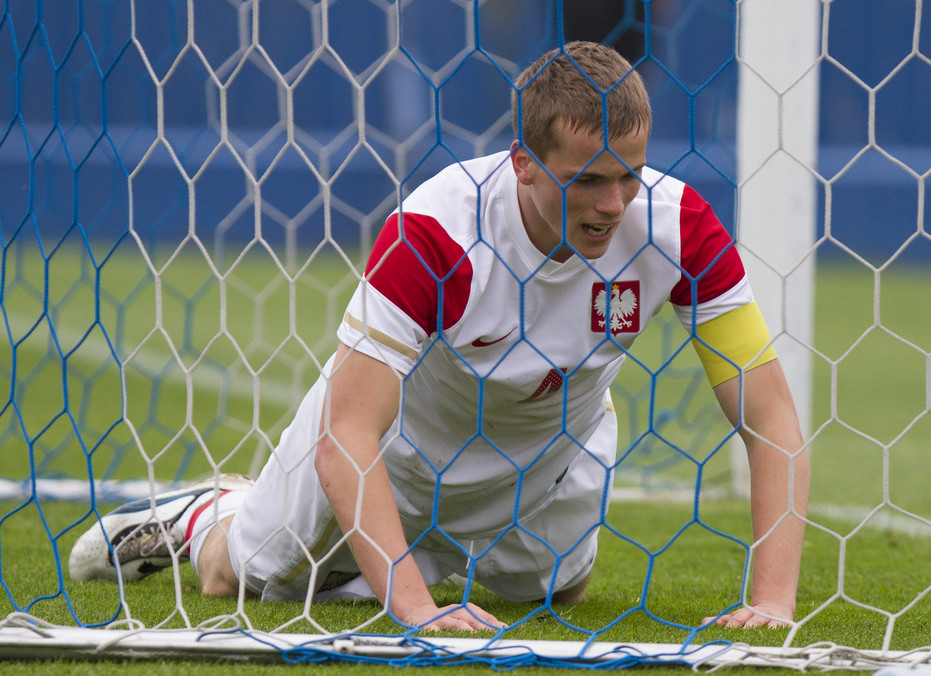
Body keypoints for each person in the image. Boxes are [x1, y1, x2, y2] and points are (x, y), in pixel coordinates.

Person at [69, 41, 810, 632]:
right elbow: (347, 434)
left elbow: (769, 415)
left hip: (549, 462)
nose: (614, 204)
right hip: (394, 456)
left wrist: (773, 603)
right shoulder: (433, 232)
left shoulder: (678, 227)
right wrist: (417, 612)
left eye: (631, 175)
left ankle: (391, 564)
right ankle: (211, 514)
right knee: (237, 579)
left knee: (561, 596)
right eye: (586, 179)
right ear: (522, 164)